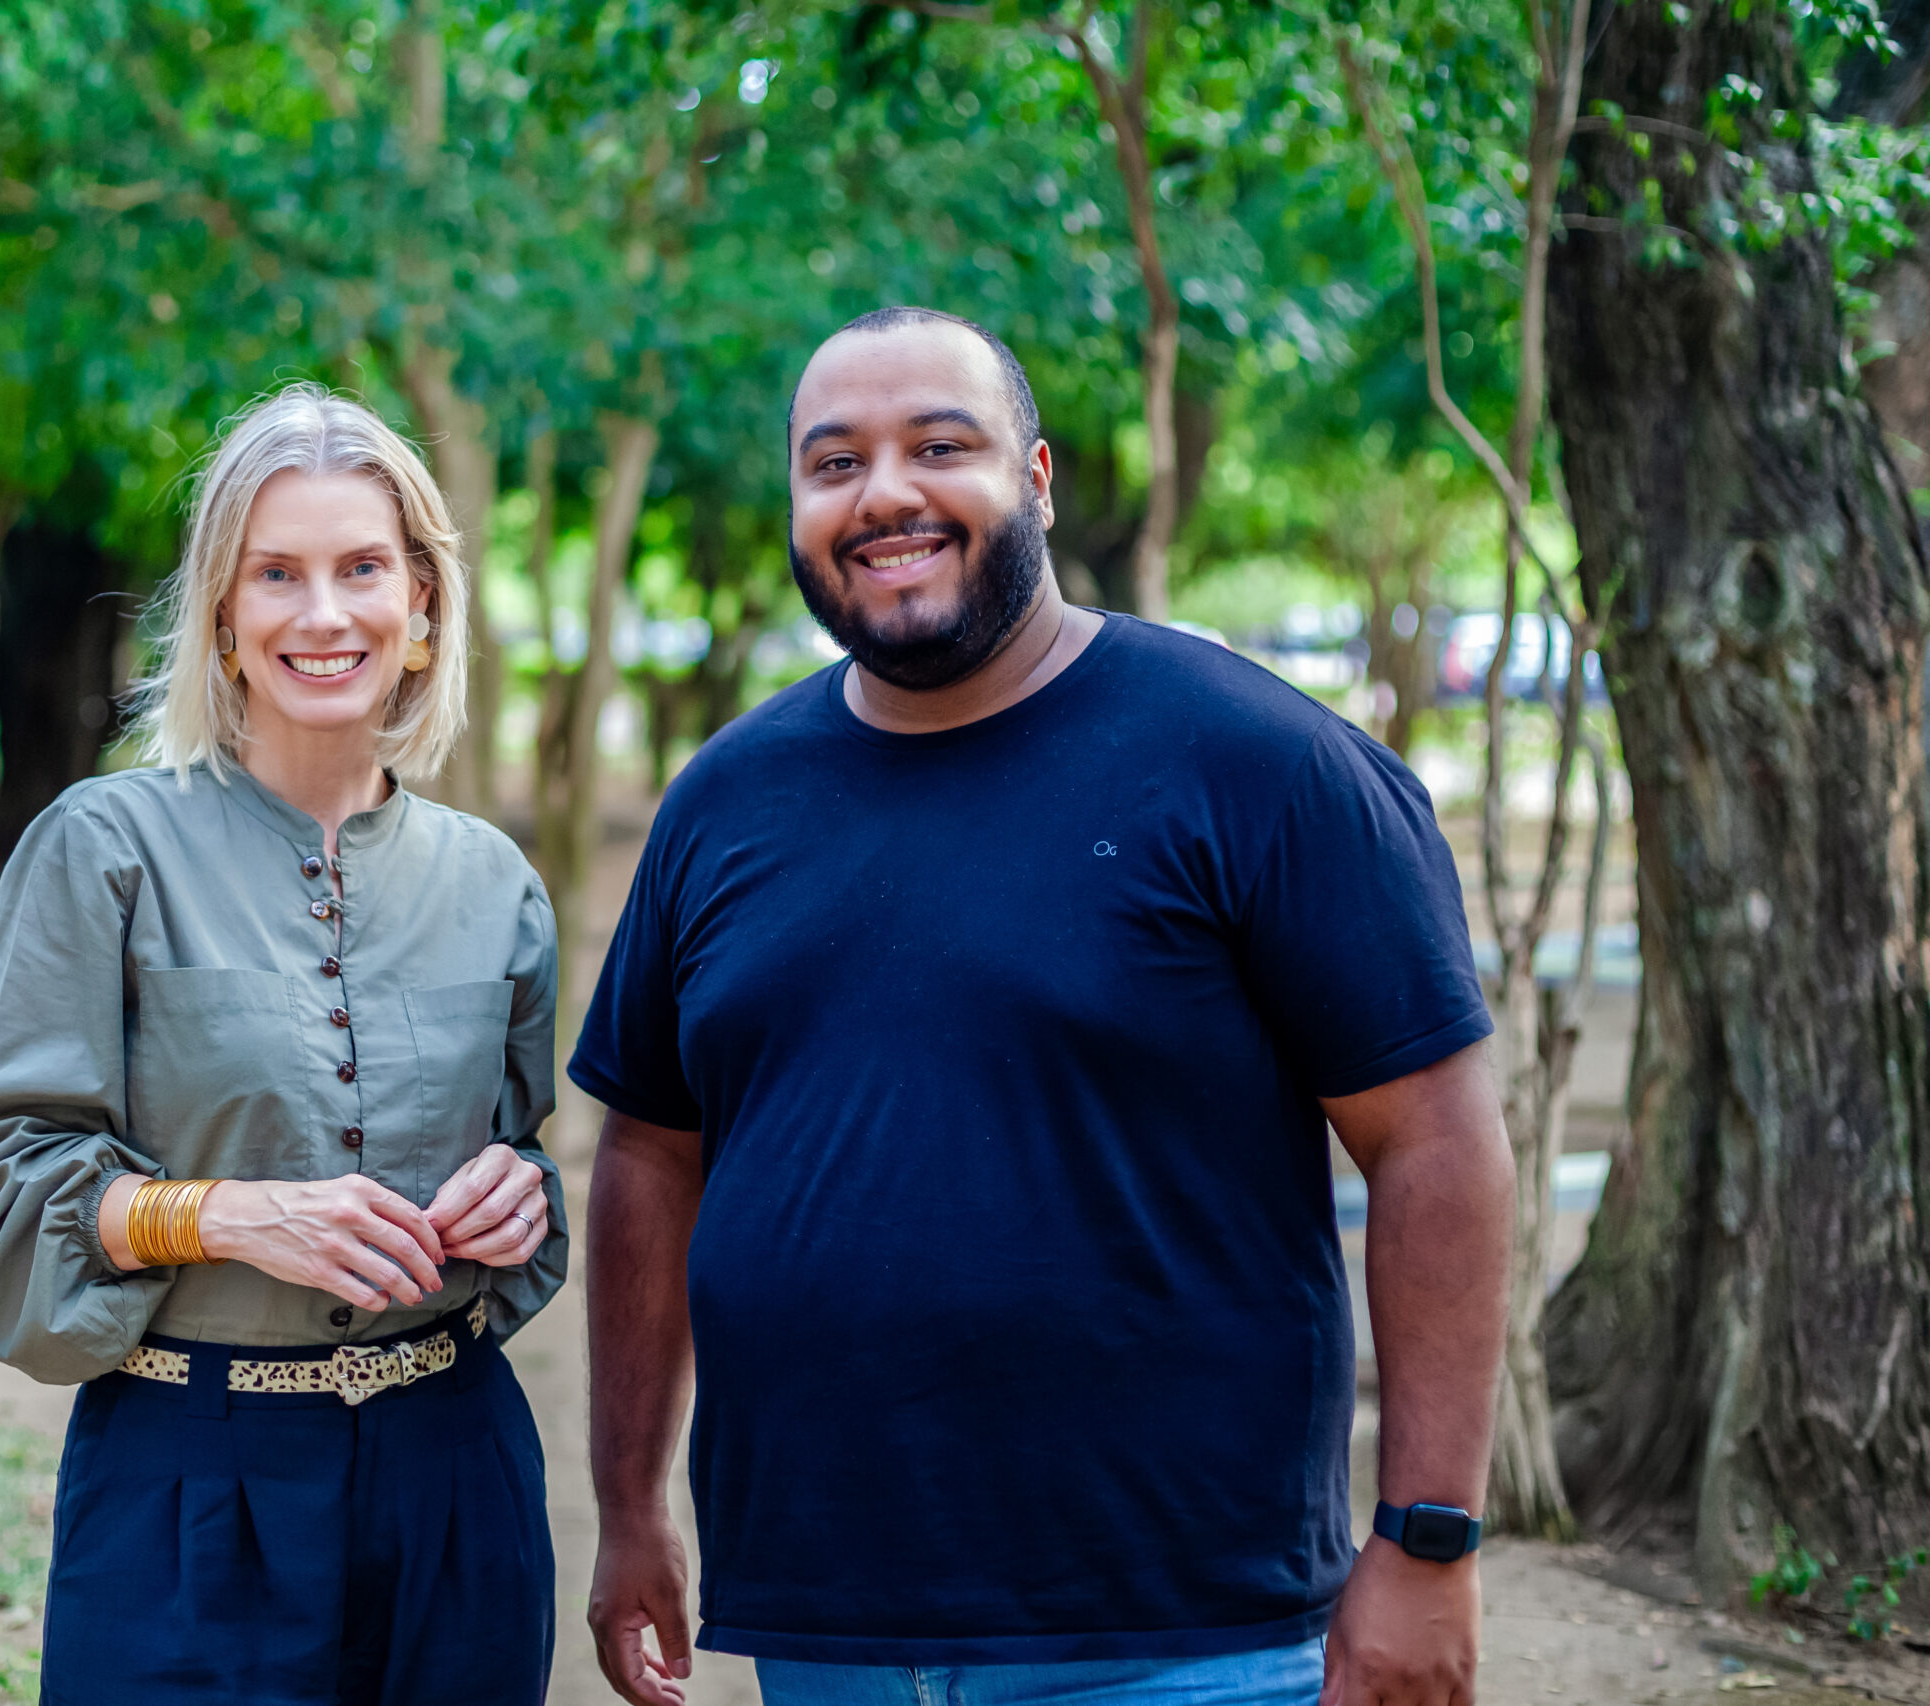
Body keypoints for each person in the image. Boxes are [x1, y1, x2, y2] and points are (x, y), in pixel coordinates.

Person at [577, 308, 1514, 1706]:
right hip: (827, 1628)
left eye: (938, 446)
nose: (884, 491)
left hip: (1186, 1632)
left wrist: (1428, 1540)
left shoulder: (1260, 764)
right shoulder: (723, 802)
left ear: (1037, 476)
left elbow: (1437, 1142)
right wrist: (633, 1503)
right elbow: (651, 1158)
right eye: (834, 463)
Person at [0, 384, 566, 1706]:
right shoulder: (100, 851)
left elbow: (526, 1168)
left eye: (362, 568)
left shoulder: (498, 882)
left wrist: (522, 1194)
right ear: (222, 613)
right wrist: (217, 1212)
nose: (323, 614)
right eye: (277, 573)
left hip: (455, 1481)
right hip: (187, 1483)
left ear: (424, 604)